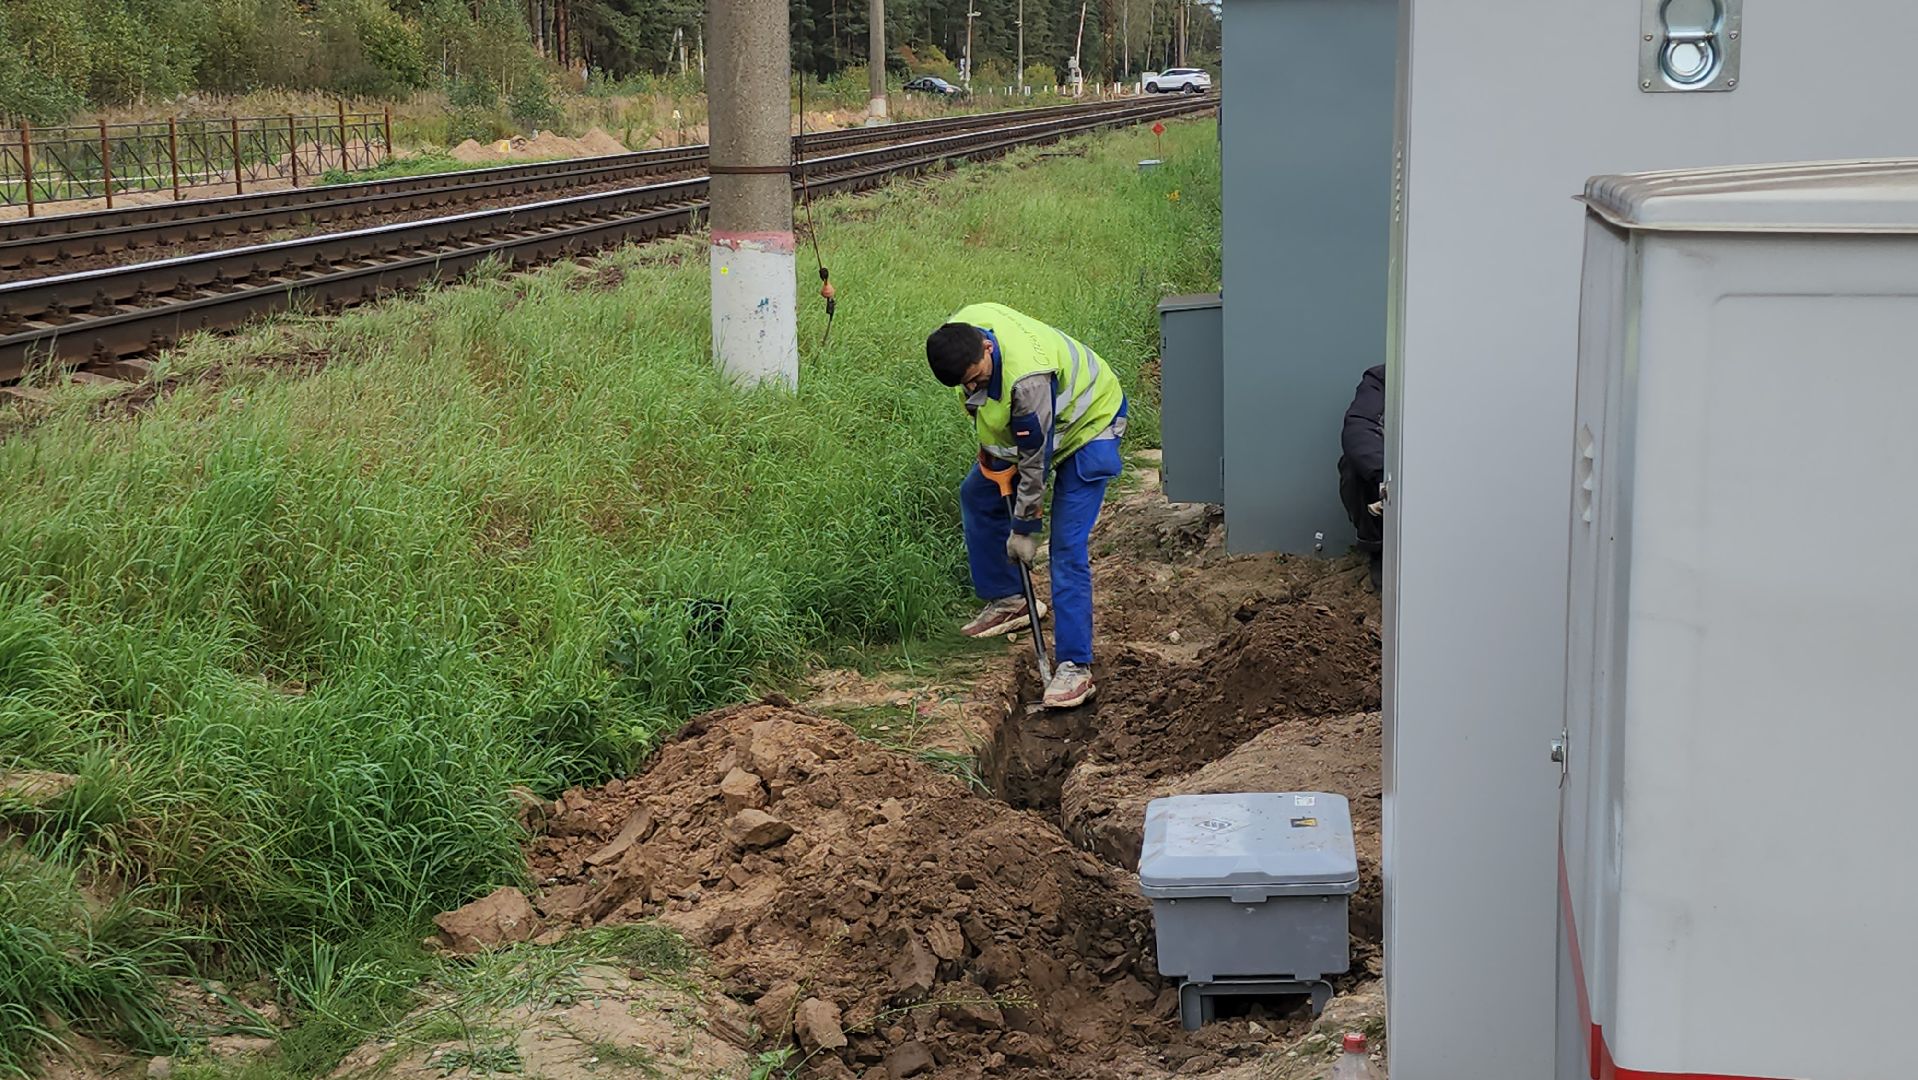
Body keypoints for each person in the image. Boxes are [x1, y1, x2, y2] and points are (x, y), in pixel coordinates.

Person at [926, 303, 1128, 709]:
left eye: (976, 378)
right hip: (1034, 429)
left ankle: (1075, 666)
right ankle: (1011, 598)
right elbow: (989, 410)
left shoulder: (1028, 381)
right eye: (964, 384)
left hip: (1088, 426)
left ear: (986, 347)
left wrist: (1024, 529)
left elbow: (1035, 464)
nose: (971, 389)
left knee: (1067, 547)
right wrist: (992, 451)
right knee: (976, 493)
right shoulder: (959, 335)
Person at [1338, 364, 1386, 589]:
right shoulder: (1382, 380)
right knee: (1353, 465)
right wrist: (1386, 476)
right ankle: (1378, 550)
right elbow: (1359, 429)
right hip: (1395, 475)